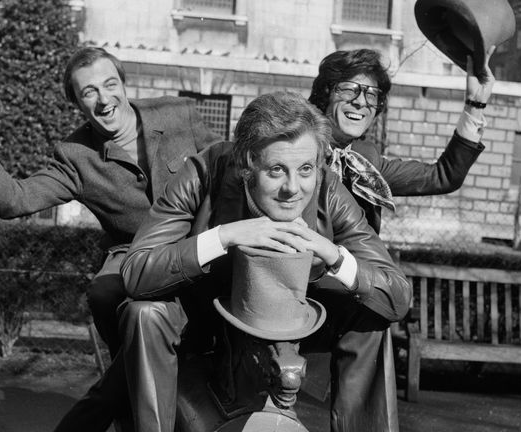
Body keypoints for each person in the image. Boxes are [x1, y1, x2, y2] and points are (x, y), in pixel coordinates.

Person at [0, 46, 221, 432]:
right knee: (106, 293)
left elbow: (228, 169)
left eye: (110, 84)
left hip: (202, 250)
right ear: (77, 103)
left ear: (123, 84)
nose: (104, 98)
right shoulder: (75, 155)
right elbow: (15, 200)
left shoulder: (179, 114)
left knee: (142, 355)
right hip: (139, 260)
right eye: (89, 92)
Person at [118, 92, 413, 432]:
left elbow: (398, 297)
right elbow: (136, 270)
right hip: (204, 322)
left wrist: (333, 256)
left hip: (291, 322)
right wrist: (225, 236)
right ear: (246, 163)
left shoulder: (329, 191)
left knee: (372, 314)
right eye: (276, 170)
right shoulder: (204, 172)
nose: (293, 188)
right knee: (144, 313)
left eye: (305, 169)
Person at [304, 47, 496, 430]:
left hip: (347, 294)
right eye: (350, 90)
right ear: (326, 92)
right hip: (291, 291)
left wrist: (475, 103)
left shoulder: (366, 162)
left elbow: (443, 176)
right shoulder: (295, 143)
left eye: (372, 96)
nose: (362, 103)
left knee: (374, 314)